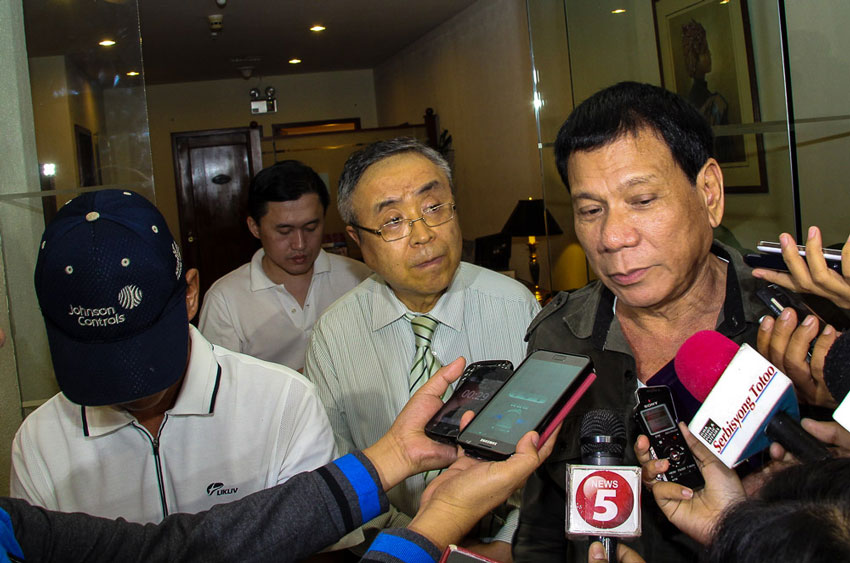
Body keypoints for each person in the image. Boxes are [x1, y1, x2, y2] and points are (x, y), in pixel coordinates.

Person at [512, 81, 792, 562]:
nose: (612, 237)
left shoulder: (791, 326)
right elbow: (542, 529)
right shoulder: (560, 337)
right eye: (590, 210)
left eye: (641, 200)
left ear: (708, 192)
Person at [0, 356, 558, 563]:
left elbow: (192, 548)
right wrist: (439, 522)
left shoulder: (14, 529)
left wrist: (393, 457)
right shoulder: (38, 440)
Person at [10, 189, 335, 523]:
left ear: (190, 294)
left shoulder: (284, 404)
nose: (129, 388)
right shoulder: (40, 443)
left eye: (141, 346)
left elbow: (320, 543)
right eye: (98, 358)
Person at [305, 137, 540, 555]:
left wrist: (506, 544)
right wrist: (413, 543)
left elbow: (548, 443)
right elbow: (336, 468)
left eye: (434, 208)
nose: (423, 235)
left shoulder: (516, 306)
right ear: (359, 240)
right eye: (393, 220)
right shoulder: (334, 334)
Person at [199, 160, 371, 372]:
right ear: (255, 227)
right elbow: (218, 386)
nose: (299, 244)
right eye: (284, 231)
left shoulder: (360, 279)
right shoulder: (225, 299)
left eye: (311, 227)